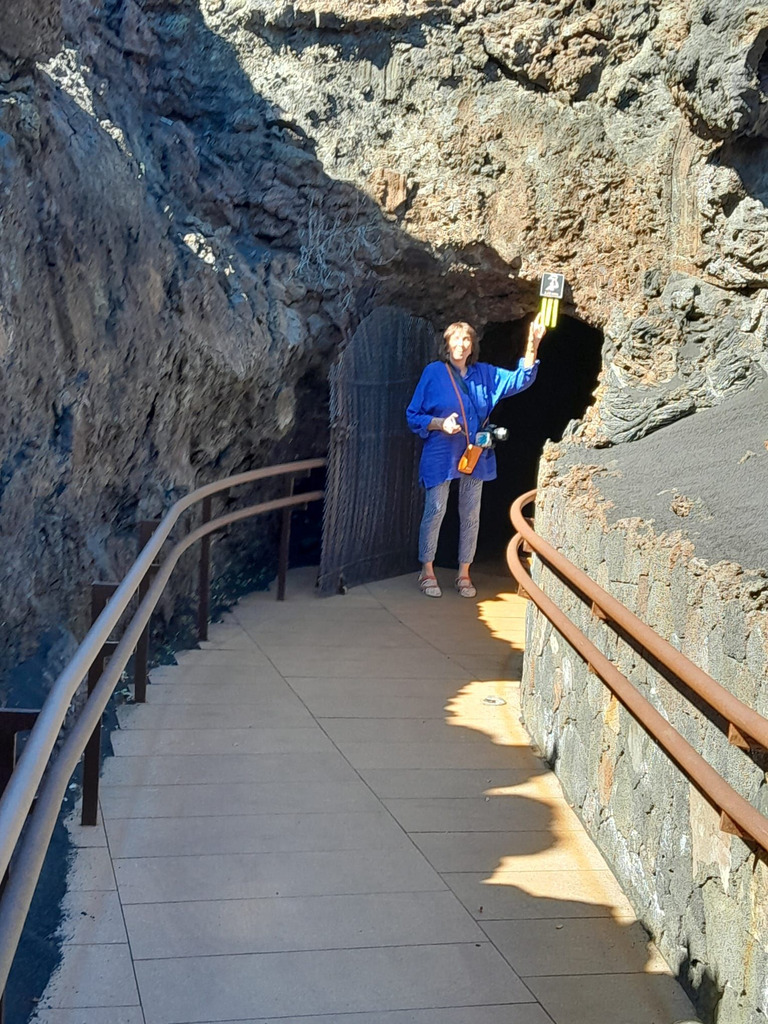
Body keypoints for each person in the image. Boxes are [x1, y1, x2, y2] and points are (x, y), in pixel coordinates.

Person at [406, 315, 546, 598]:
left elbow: (520, 379)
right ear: (447, 345)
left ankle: (464, 573)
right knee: (435, 510)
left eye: (466, 340)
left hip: (475, 453)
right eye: (455, 339)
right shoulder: (434, 373)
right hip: (442, 452)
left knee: (471, 514)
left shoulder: (485, 374)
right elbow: (413, 415)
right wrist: (439, 424)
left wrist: (533, 344)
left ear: (472, 346)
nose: (461, 344)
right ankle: (427, 570)